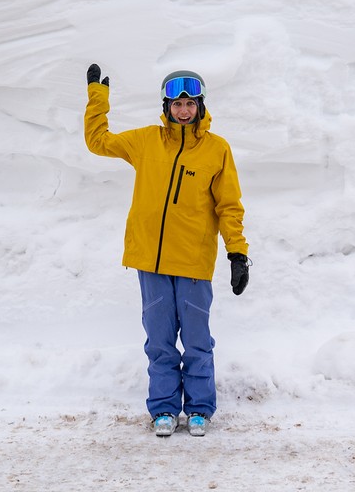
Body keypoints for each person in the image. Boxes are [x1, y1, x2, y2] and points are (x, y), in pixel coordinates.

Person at [84, 64, 250, 437]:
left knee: (195, 341)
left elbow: (229, 206)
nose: (184, 110)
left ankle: (199, 410)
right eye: (177, 104)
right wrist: (98, 98)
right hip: (151, 261)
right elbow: (99, 142)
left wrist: (237, 254)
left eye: (190, 103)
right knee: (159, 342)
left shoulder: (216, 149)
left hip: (193, 261)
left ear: (201, 105)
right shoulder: (146, 142)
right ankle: (162, 410)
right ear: (166, 107)